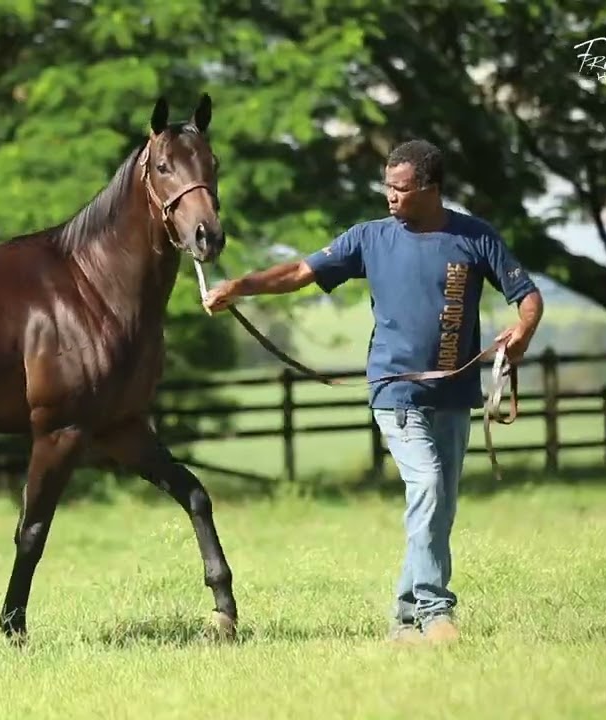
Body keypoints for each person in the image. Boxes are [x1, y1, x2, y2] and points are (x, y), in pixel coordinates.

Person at [202, 139, 544, 644]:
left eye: (400, 189)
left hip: (453, 395)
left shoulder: (475, 236)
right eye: (386, 186)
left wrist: (523, 333)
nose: (390, 197)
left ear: (430, 189)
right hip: (395, 393)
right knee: (427, 487)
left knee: (438, 506)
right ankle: (433, 610)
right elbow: (299, 271)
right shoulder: (370, 238)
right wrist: (240, 286)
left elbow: (528, 296)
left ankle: (405, 619)